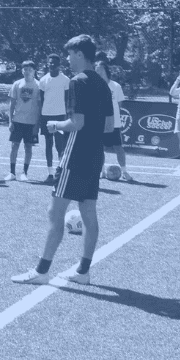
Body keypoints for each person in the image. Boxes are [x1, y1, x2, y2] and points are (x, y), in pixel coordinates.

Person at [12, 35, 113, 287]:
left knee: (55, 211)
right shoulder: (103, 83)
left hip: (76, 154)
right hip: (96, 154)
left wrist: (55, 125)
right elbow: (109, 126)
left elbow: (77, 123)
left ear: (79, 54)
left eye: (70, 54)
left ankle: (41, 270)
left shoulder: (77, 82)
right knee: (88, 211)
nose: (67, 59)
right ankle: (83, 271)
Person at [96, 60, 133, 182]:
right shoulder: (94, 86)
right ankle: (101, 171)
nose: (98, 71)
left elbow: (119, 104)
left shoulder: (115, 86)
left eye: (100, 69)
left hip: (114, 123)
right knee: (99, 148)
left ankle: (124, 171)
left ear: (106, 70)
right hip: (99, 123)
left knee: (118, 147)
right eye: (96, 69)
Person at [6, 61, 41, 182]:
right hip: (17, 121)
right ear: (22, 71)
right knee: (14, 146)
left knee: (28, 147)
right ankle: (12, 172)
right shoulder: (17, 84)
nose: (27, 72)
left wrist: (37, 124)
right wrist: (10, 121)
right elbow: (12, 104)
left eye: (30, 70)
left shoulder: (38, 85)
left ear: (34, 71)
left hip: (31, 123)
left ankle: (24, 173)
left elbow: (40, 106)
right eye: (25, 69)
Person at [37, 53, 70, 184]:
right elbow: (41, 100)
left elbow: (67, 100)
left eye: (54, 63)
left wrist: (67, 117)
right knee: (48, 144)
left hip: (60, 116)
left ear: (59, 65)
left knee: (60, 146)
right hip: (46, 116)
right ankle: (50, 174)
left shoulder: (65, 80)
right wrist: (40, 117)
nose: (51, 65)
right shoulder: (43, 80)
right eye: (49, 63)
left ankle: (60, 173)